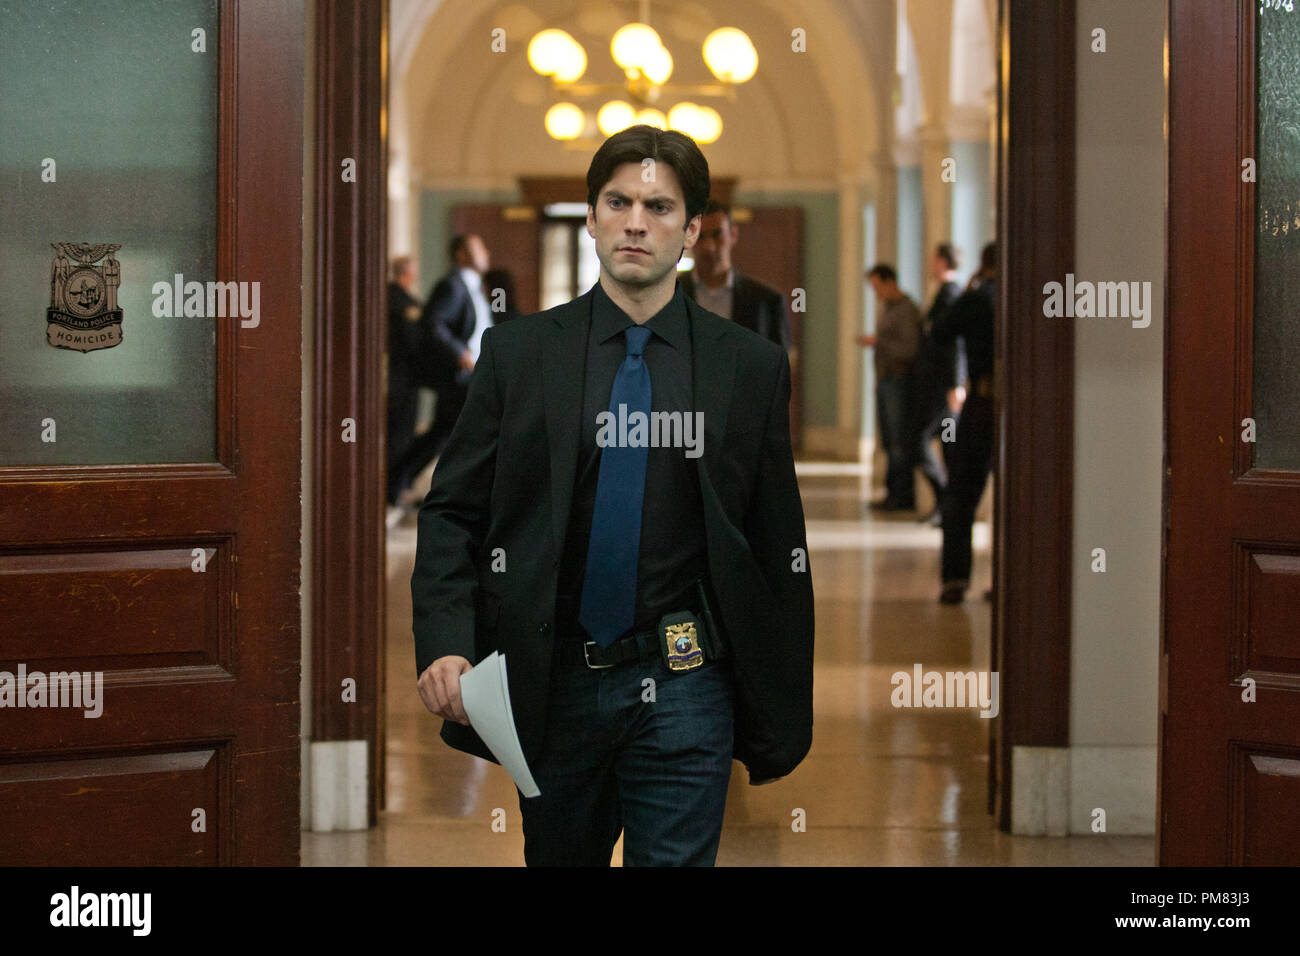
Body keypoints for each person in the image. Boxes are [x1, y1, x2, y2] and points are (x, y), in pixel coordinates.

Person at [411, 124, 814, 867]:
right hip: (553, 680)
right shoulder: (520, 356)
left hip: (687, 680)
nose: (636, 221)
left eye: (660, 207)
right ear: (592, 217)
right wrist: (446, 640)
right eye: (618, 201)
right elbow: (453, 511)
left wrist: (782, 703)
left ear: (692, 230)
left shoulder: (748, 369)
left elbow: (775, 542)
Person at [390, 234, 492, 503]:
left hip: (472, 374)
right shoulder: (452, 285)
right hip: (460, 376)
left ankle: (400, 482)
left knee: (444, 435)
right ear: (460, 254)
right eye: (477, 248)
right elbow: (433, 323)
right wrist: (461, 353)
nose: (484, 253)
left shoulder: (472, 285)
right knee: (452, 435)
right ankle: (416, 486)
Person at [930, 242, 996, 604]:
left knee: (960, 495)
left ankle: (955, 577)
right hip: (1025, 408)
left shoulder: (976, 296)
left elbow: (940, 333)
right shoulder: (1029, 294)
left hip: (982, 403)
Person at [679, 199, 791, 349]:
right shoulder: (667, 296)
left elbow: (778, 367)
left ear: (733, 234)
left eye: (717, 235)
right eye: (701, 236)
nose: (709, 247)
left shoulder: (767, 302)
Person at [859, 264, 923, 511]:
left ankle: (902, 495)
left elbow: (909, 349)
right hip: (886, 380)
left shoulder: (906, 310)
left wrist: (879, 342)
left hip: (899, 381)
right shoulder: (889, 308)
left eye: (877, 287)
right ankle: (891, 492)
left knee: (898, 441)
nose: (876, 293)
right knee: (888, 439)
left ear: (889, 282)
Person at [909, 244, 964, 526]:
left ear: (942, 262)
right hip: (936, 384)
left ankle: (946, 501)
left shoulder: (952, 295)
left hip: (943, 387)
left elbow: (955, 343)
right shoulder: (944, 294)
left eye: (933, 261)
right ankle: (947, 507)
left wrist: (956, 384)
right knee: (945, 444)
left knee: (920, 441)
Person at [386, 256, 423, 519]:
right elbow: (413, 338)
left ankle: (397, 487)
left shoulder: (402, 297)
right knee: (399, 435)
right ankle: (393, 490)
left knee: (403, 434)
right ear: (407, 273)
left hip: (407, 377)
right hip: (401, 377)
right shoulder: (397, 299)